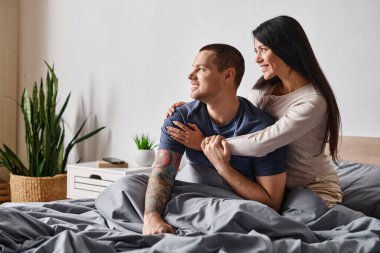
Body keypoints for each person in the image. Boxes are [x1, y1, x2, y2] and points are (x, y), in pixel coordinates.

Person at [166, 16, 342, 207]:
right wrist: (197, 106)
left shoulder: (312, 101)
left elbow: (262, 142)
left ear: (287, 49)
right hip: (276, 187)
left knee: (295, 224)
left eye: (263, 50)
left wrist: (203, 144)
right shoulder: (263, 90)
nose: (257, 59)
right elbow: (238, 114)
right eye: (256, 51)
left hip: (312, 186)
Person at [144, 43, 286, 235]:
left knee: (241, 212)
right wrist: (152, 218)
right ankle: (168, 218)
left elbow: (272, 202)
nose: (190, 76)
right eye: (192, 68)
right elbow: (162, 173)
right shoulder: (181, 117)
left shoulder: (261, 127)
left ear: (228, 75)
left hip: (231, 202)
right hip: (189, 194)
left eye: (201, 69)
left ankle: (184, 218)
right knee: (125, 187)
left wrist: (222, 166)